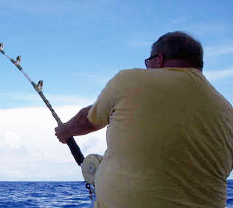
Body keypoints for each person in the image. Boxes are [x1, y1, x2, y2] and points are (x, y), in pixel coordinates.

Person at [55, 31, 233, 208]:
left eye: (149, 62)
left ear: (159, 59)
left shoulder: (129, 80)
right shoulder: (227, 109)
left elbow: (87, 120)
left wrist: (65, 131)